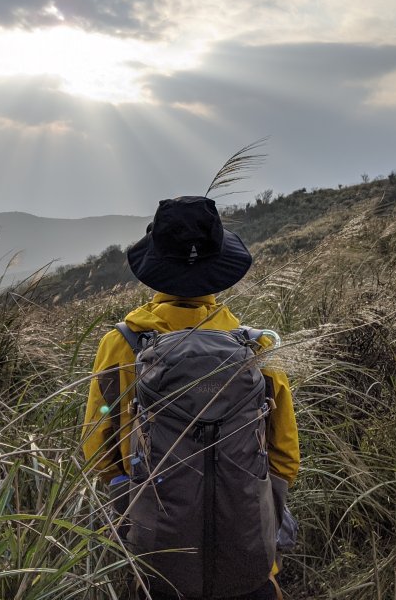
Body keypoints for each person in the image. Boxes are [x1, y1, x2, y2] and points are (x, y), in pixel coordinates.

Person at [82, 195, 300, 599]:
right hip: (248, 556)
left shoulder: (121, 345)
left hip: (158, 555)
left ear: (154, 269)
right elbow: (284, 454)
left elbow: (99, 440)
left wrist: (124, 496)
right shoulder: (259, 348)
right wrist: (264, 512)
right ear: (221, 270)